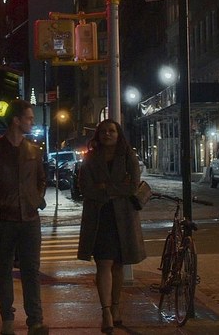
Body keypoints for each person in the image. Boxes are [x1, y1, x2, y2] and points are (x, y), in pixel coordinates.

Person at [0, 99, 49, 335]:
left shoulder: (33, 151)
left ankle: (35, 320)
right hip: (4, 219)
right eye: (29, 118)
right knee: (4, 269)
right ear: (16, 120)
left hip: (29, 219)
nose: (32, 122)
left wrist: (35, 199)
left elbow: (41, 179)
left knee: (31, 270)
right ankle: (7, 318)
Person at [76, 119, 147, 333]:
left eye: (111, 131)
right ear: (98, 135)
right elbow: (85, 188)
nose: (107, 134)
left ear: (118, 134)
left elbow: (132, 187)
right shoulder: (90, 158)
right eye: (103, 131)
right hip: (100, 217)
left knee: (118, 265)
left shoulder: (128, 156)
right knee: (104, 263)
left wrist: (104, 187)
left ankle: (116, 307)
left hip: (123, 218)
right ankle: (106, 311)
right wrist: (115, 188)